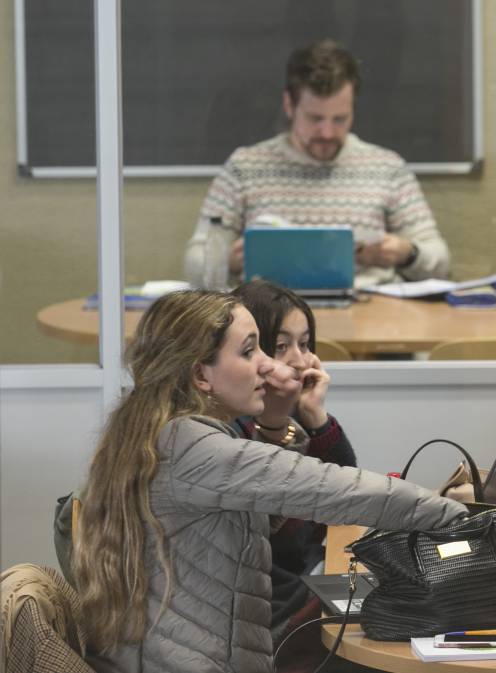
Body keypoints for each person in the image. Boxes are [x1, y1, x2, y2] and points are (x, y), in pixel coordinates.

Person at [72, 290, 466, 673]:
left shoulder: (158, 434)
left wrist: (276, 418)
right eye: (249, 351)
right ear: (200, 375)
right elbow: (335, 490)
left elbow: (269, 501)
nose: (267, 365)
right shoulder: (191, 447)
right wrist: (469, 518)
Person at [183, 38, 450, 289]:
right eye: (315, 119)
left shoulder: (387, 168)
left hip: (369, 306)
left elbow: (440, 261)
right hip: (270, 310)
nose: (327, 133)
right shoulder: (245, 168)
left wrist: (407, 253)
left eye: (340, 119)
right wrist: (228, 261)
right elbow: (194, 262)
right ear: (289, 105)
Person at [229, 280, 356, 644]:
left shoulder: (286, 415)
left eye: (305, 344)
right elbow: (276, 518)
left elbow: (343, 495)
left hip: (304, 580)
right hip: (273, 612)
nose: (300, 361)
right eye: (281, 347)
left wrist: (316, 417)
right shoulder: (233, 430)